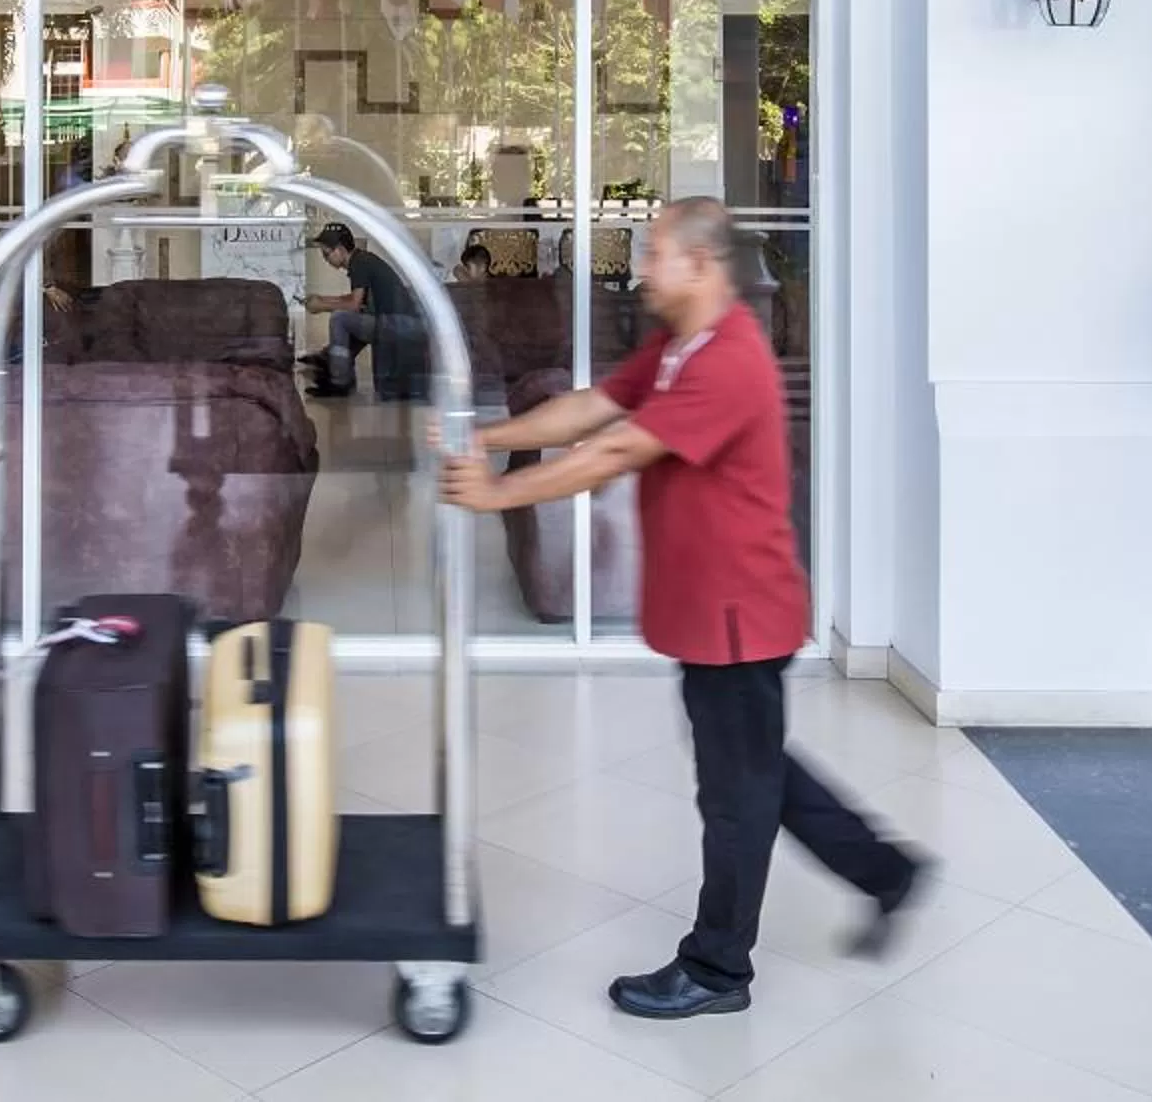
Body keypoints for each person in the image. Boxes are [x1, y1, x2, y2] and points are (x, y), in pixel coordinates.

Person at [440, 197, 927, 1019]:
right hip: (710, 612)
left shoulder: (729, 360)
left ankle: (717, 970)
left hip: (737, 616)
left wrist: (497, 495)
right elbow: (594, 407)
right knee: (760, 772)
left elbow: (618, 450)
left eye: (655, 253)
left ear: (701, 263)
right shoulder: (676, 346)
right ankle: (888, 871)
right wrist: (483, 436)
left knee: (735, 800)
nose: (640, 269)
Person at [301, 220, 409, 398]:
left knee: (340, 318)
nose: (325, 258)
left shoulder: (359, 264)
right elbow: (356, 299)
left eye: (326, 253)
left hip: (392, 323)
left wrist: (321, 306)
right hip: (389, 320)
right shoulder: (362, 260)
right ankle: (332, 362)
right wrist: (321, 299)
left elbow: (353, 304)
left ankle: (340, 381)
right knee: (349, 319)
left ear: (341, 250)